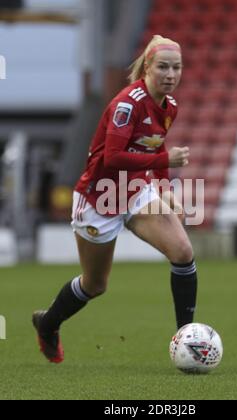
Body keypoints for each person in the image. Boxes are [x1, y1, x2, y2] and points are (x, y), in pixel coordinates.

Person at [32, 35, 198, 364]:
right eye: (163, 67)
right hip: (99, 199)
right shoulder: (128, 104)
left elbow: (156, 146)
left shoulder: (170, 106)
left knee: (183, 252)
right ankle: (48, 322)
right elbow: (113, 158)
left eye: (176, 68)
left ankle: (186, 339)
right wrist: (163, 164)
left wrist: (165, 191)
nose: (170, 74)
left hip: (136, 191)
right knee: (95, 284)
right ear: (147, 68)